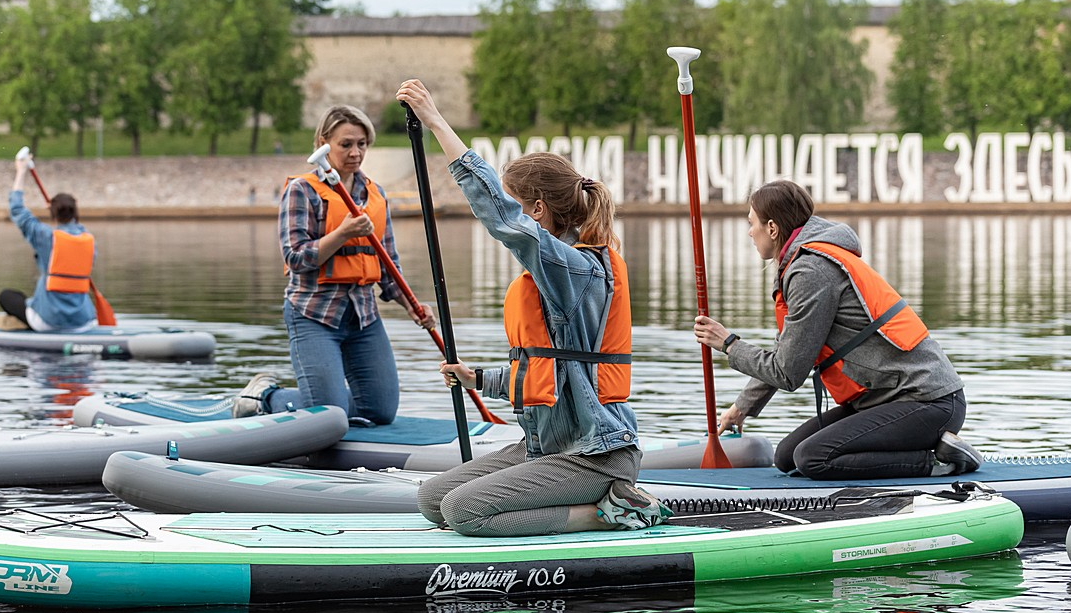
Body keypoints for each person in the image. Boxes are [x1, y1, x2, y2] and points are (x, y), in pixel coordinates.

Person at [396, 78, 672, 537]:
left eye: (521, 203)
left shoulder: (577, 269)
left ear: (538, 210)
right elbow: (548, 373)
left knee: (466, 511)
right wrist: (477, 378)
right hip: (548, 446)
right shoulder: (555, 273)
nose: (516, 214)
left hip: (596, 454)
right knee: (433, 501)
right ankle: (597, 504)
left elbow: (503, 219)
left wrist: (436, 122)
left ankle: (613, 510)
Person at [692, 179, 981, 480]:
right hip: (884, 398)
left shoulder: (810, 271)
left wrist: (729, 344)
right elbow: (787, 351)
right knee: (787, 456)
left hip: (927, 401)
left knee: (813, 457)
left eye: (752, 223)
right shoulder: (801, 263)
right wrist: (742, 408)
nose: (750, 232)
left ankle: (937, 461)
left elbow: (788, 373)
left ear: (773, 228)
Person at [235, 104, 435, 425]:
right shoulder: (301, 190)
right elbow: (296, 258)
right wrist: (342, 234)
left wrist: (411, 305)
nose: (355, 152)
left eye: (362, 144)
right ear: (323, 143)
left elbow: (387, 265)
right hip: (313, 314)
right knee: (330, 416)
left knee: (380, 411)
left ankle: (328, 400)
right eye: (346, 144)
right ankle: (264, 397)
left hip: (363, 316)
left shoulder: (375, 194)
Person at [1, 154, 98, 333]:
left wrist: (21, 171)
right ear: (76, 213)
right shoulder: (89, 241)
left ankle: (24, 325)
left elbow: (17, 209)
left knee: (7, 296)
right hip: (83, 321)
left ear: (53, 214)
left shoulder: (46, 237)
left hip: (49, 322)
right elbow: (73, 230)